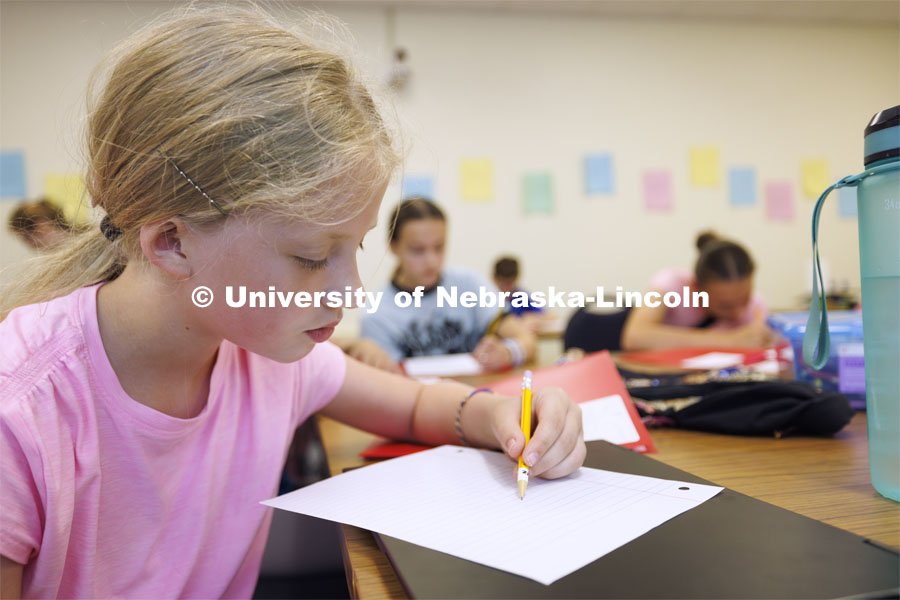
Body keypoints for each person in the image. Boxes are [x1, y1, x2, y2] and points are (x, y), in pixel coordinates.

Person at [0, 9, 584, 598]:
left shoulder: (263, 352)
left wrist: (503, 417)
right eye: (310, 256)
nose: (351, 291)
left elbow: (415, 409)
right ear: (171, 242)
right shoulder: (19, 416)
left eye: (353, 247)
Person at [347, 197, 537, 373]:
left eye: (439, 247)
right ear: (393, 246)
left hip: (478, 394)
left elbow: (527, 340)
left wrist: (508, 351)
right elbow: (382, 381)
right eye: (418, 250)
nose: (432, 261)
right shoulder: (376, 314)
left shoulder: (470, 285)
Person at [621, 232, 774, 350]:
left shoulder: (757, 305)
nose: (738, 312)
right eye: (725, 306)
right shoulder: (671, 284)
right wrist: (729, 340)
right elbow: (634, 337)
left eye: (745, 299)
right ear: (696, 288)